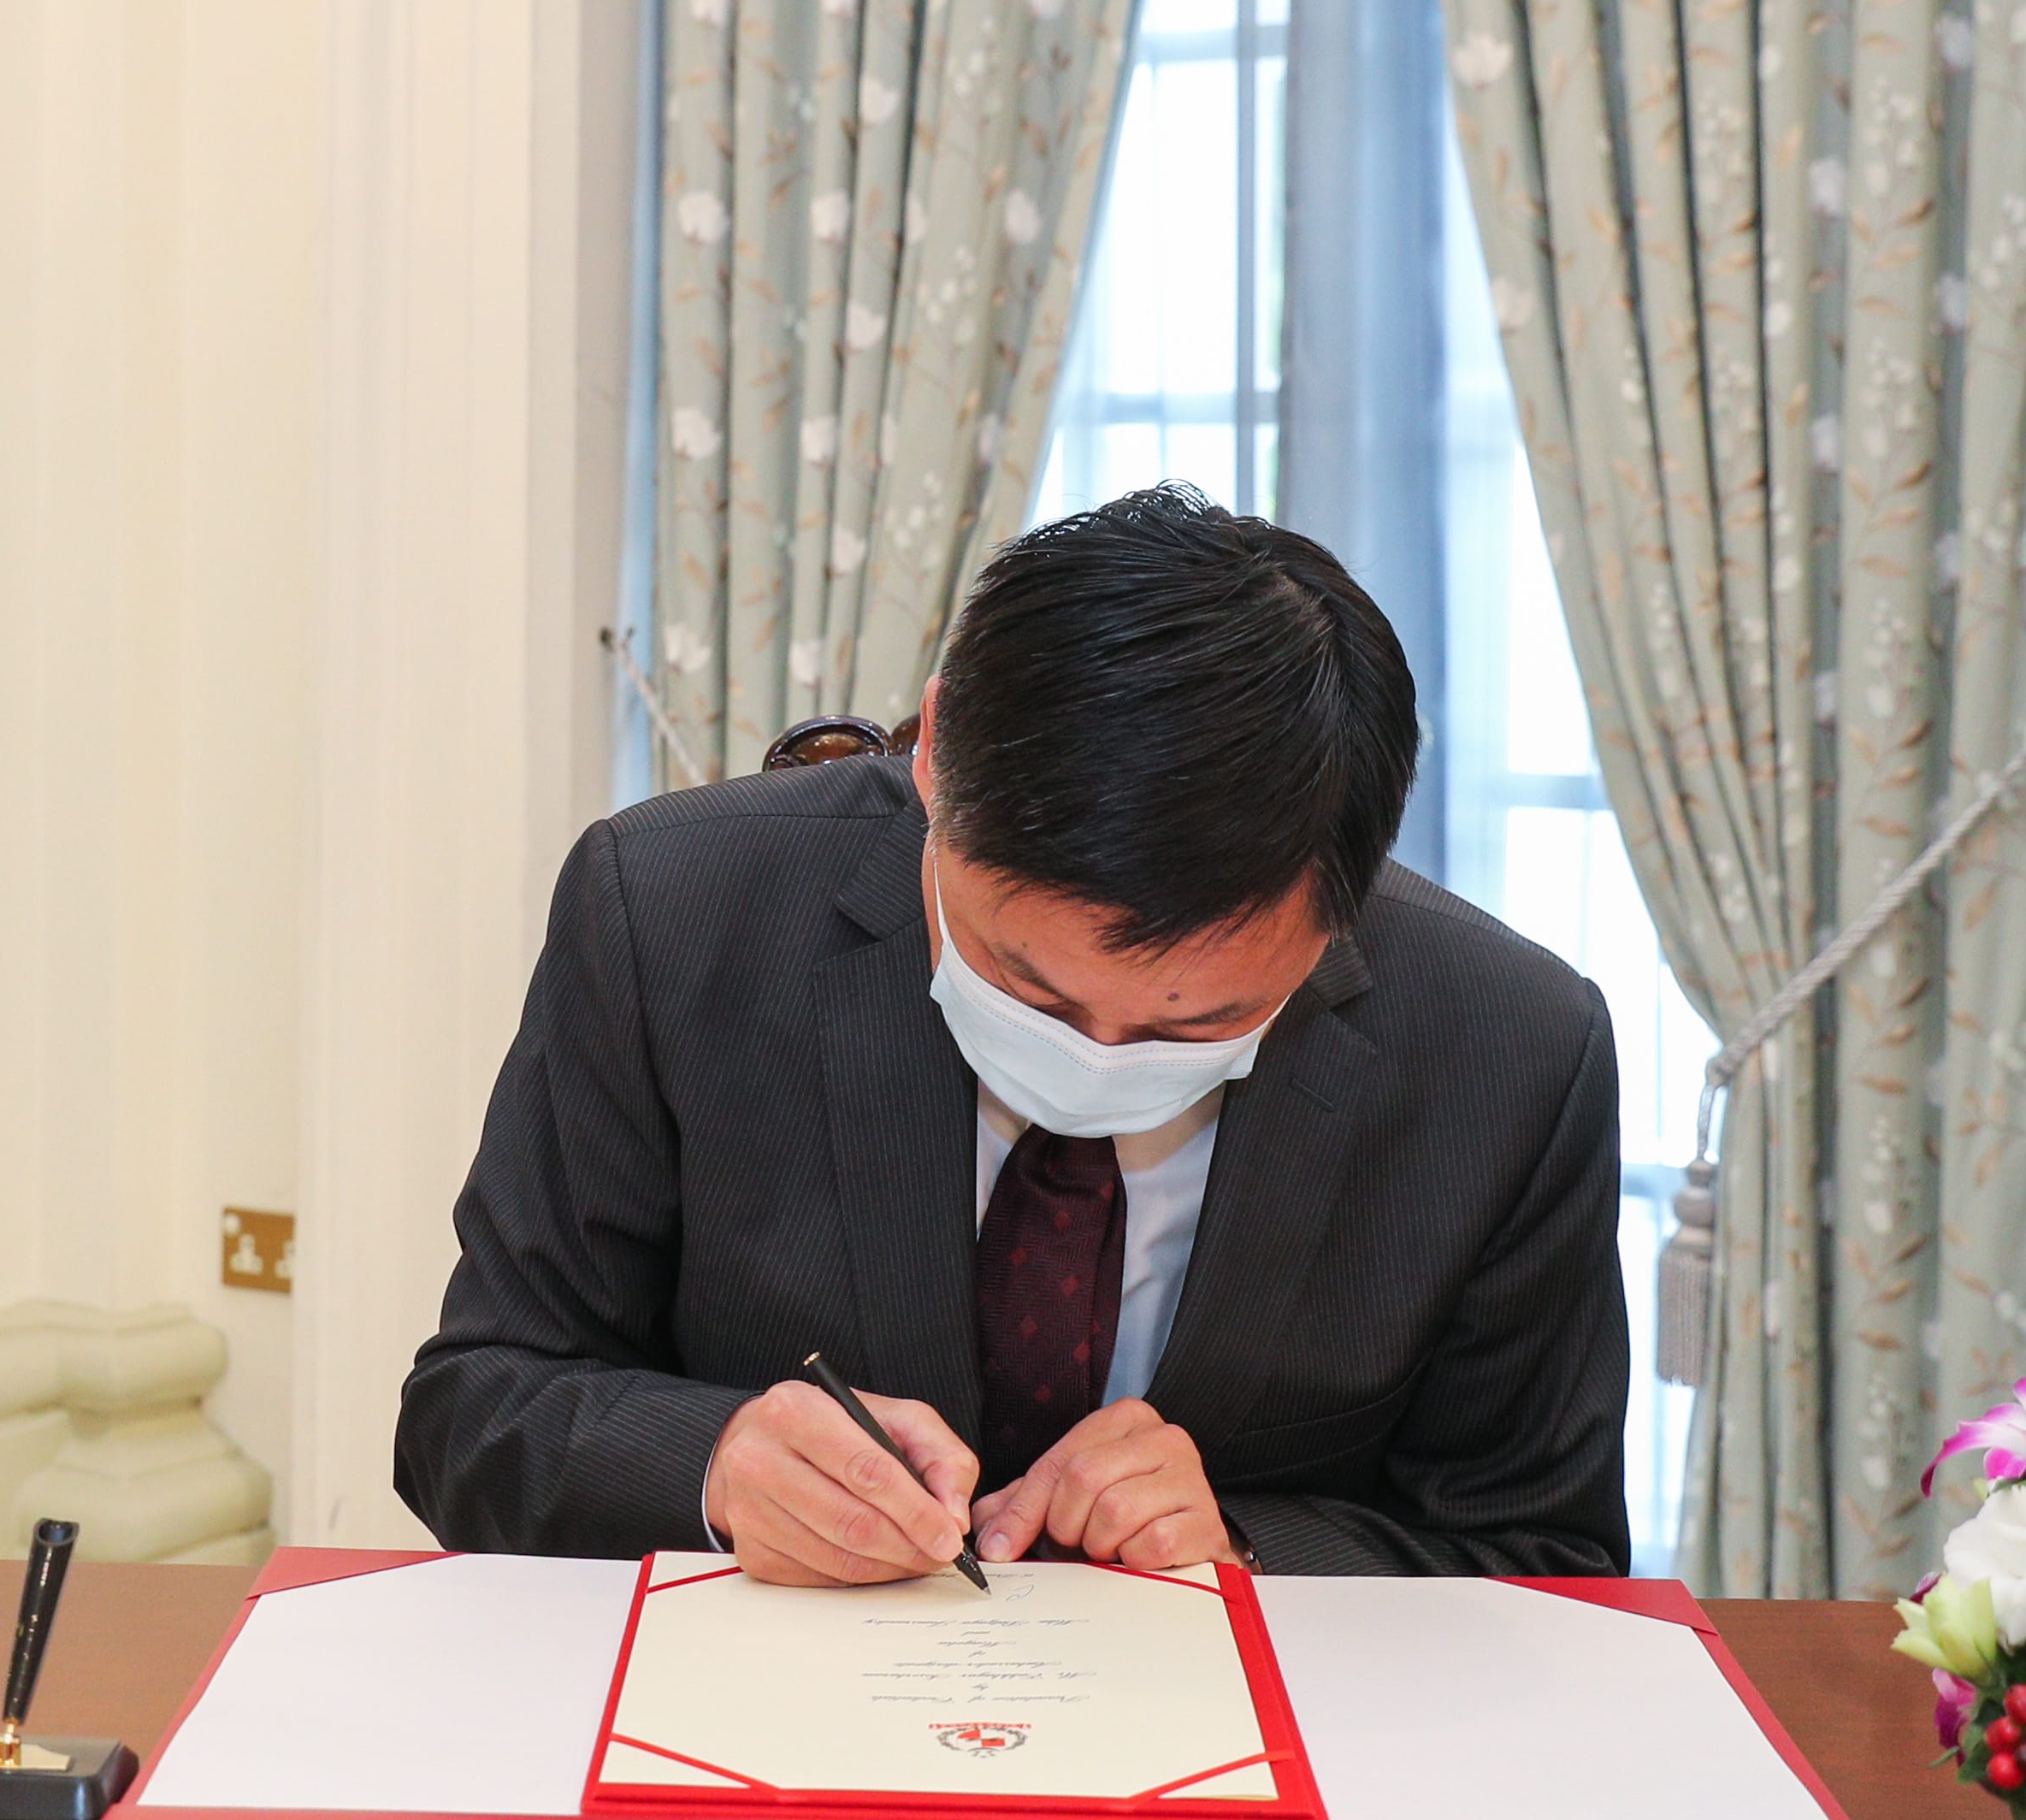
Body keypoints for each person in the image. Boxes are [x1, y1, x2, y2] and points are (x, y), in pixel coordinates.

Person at [398, 483, 1627, 1581]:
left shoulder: (1508, 1050)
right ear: (935, 757)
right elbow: (475, 1409)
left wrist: (1248, 1547)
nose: (1098, 1059)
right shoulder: (672, 915)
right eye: (1029, 987)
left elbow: (1543, 1554)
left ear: (1340, 910)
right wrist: (711, 1465)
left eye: (1196, 1022)